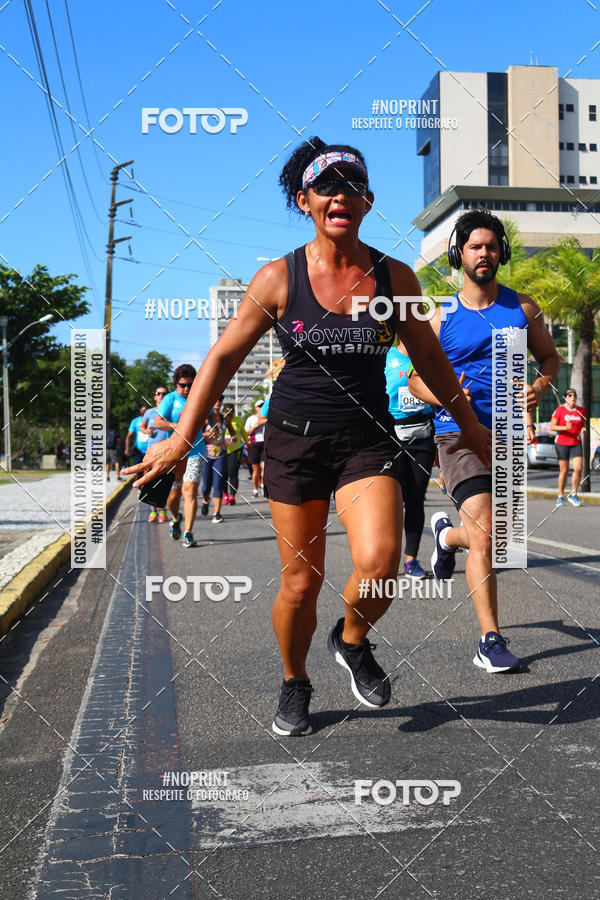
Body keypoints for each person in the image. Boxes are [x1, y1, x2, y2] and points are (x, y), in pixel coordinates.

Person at [125, 137, 490, 737]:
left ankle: (351, 639)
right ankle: (295, 681)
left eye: (353, 186)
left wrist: (472, 428)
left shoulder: (394, 278)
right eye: (326, 186)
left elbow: (430, 360)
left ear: (368, 201)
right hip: (294, 445)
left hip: (367, 441)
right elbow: (222, 359)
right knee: (301, 581)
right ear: (304, 200)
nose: (340, 195)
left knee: (381, 564)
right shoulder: (278, 277)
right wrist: (182, 438)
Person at [409, 208, 560, 673]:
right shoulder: (442, 316)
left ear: (502, 253)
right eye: (475, 246)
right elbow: (414, 380)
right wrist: (446, 394)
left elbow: (550, 358)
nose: (484, 253)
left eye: (492, 246)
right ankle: (489, 640)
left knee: (498, 541)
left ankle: (445, 537)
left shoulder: (523, 308)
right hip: (458, 435)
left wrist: (539, 386)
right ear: (459, 254)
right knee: (489, 535)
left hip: (508, 436)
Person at [385, 340, 435, 579]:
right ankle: (386, 560)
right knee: (392, 501)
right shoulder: (387, 357)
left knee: (415, 498)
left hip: (422, 436)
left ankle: (410, 560)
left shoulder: (428, 355)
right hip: (391, 436)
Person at [153, 365, 206, 548]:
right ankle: (175, 518)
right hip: (175, 453)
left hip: (196, 451)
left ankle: (188, 533)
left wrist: (213, 428)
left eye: (190, 385)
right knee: (173, 496)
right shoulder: (170, 399)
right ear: (176, 384)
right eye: (183, 385)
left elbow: (213, 416)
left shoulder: (200, 397)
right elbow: (157, 422)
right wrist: (178, 426)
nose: (186, 389)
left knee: (190, 490)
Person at [200, 396, 235, 524]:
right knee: (205, 487)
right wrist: (207, 434)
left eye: (220, 400)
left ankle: (217, 513)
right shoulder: (205, 418)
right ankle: (205, 500)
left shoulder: (225, 419)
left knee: (218, 484)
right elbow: (197, 434)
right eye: (215, 399)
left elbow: (232, 432)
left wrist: (232, 438)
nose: (218, 402)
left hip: (221, 455)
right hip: (206, 455)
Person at [550, 388, 586, 507]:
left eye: (574, 395)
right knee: (564, 471)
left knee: (578, 468)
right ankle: (560, 495)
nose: (572, 397)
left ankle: (573, 494)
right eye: (570, 395)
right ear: (565, 398)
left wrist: (583, 428)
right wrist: (565, 428)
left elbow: (583, 423)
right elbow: (552, 427)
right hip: (562, 443)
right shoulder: (559, 410)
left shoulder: (581, 410)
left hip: (576, 442)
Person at [141, 386, 170, 523]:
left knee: (164, 482)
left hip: (167, 450)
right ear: (155, 397)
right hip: (152, 450)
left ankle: (162, 509)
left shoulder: (170, 411)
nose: (161, 396)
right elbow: (142, 427)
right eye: (158, 393)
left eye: (164, 393)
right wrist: (146, 431)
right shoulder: (149, 412)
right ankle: (153, 511)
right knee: (150, 481)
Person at [244, 400, 266, 497]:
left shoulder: (267, 418)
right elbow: (246, 433)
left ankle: (263, 485)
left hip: (264, 444)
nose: (261, 408)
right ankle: (255, 489)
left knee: (264, 467)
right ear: (256, 408)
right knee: (256, 469)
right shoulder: (251, 419)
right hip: (254, 445)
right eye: (260, 406)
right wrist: (255, 426)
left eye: (263, 406)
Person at [222, 405, 242, 506]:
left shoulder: (238, 420)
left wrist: (247, 444)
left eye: (230, 413)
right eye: (226, 413)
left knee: (233, 473)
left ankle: (232, 496)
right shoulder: (220, 421)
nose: (229, 415)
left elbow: (243, 432)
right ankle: (225, 494)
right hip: (222, 451)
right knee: (223, 474)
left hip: (235, 450)